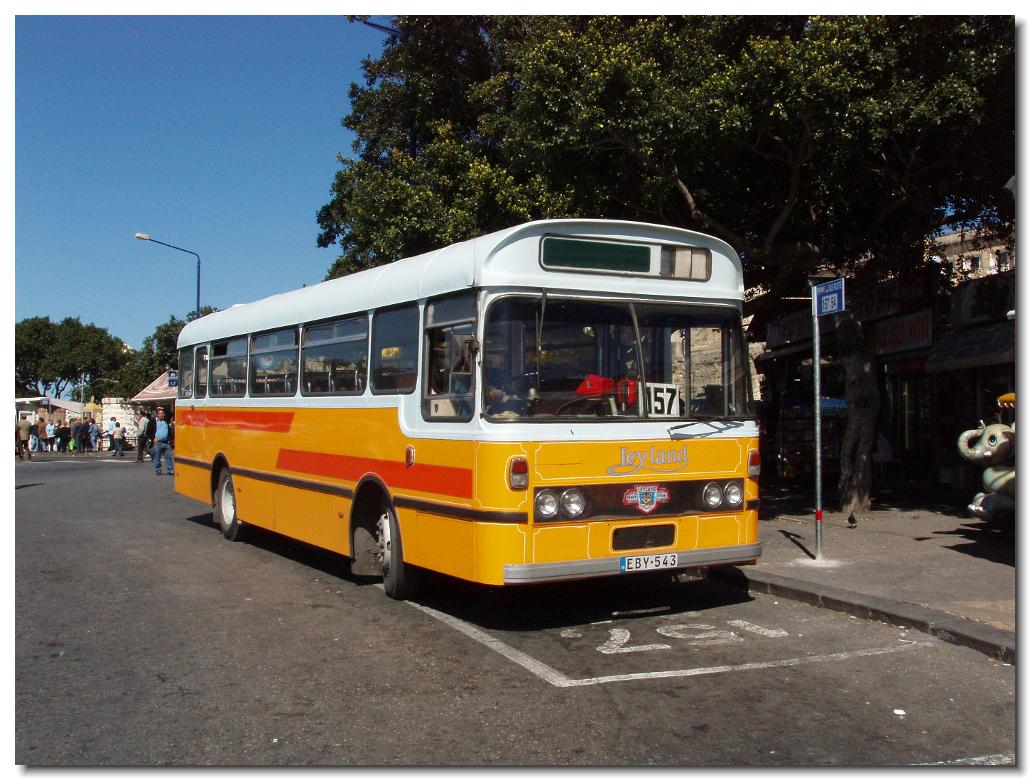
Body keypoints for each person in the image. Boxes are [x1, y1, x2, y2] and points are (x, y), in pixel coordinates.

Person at [146, 407, 174, 475]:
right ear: (157, 414)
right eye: (162, 413)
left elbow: (170, 413)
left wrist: (163, 408)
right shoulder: (152, 421)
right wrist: (153, 439)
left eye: (163, 413)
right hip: (157, 443)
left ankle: (170, 470)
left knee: (169, 457)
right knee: (157, 458)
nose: (163, 415)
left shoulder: (165, 420)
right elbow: (148, 432)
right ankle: (158, 470)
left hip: (166, 442)